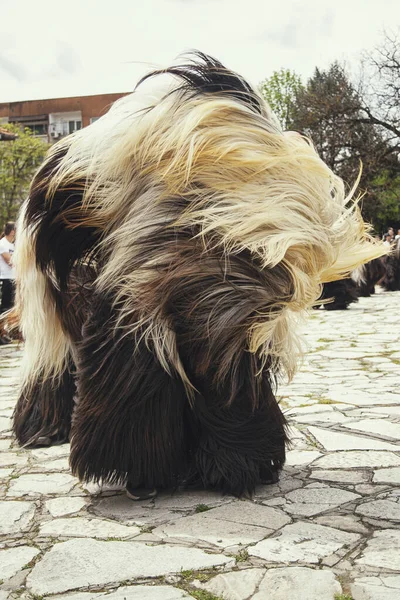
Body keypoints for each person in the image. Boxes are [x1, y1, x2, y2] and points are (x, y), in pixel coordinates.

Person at [0, 222, 16, 327]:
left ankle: (6, 332)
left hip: (13, 278)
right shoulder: (2, 243)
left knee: (11, 307)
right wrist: (14, 259)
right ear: (11, 231)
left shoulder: (13, 245)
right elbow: (9, 261)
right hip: (5, 279)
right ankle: (1, 331)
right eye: (15, 230)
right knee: (4, 307)